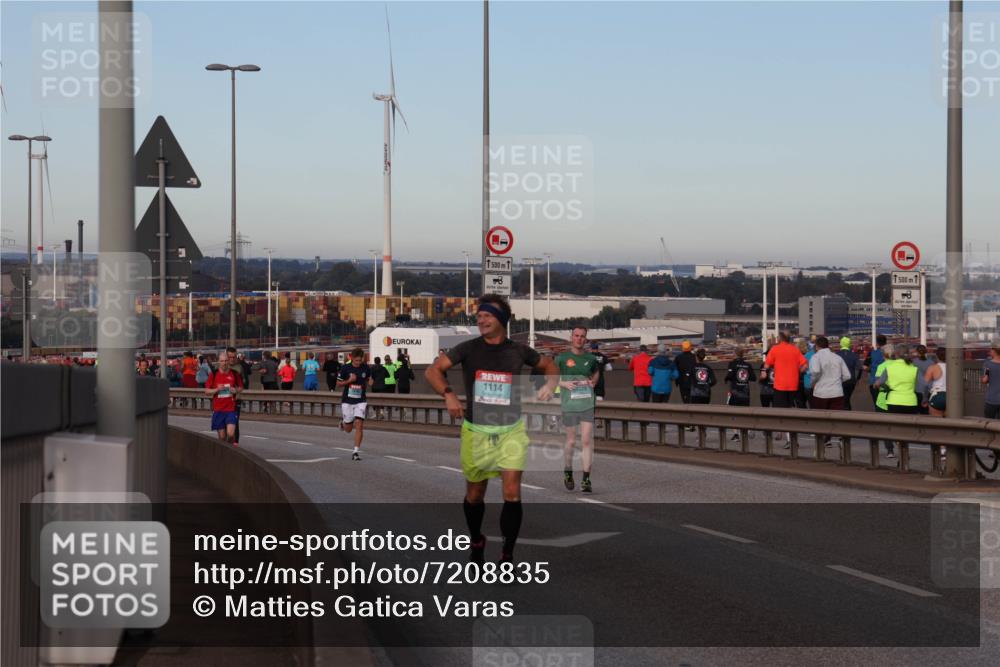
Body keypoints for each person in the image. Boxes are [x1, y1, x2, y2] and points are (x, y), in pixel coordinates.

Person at [424, 294, 557, 565]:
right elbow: (433, 371)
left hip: (511, 430)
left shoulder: (518, 351)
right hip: (476, 430)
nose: (480, 319)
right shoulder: (468, 349)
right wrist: (448, 394)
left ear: (502, 320)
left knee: (512, 492)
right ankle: (477, 540)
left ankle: (507, 556)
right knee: (475, 495)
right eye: (479, 315)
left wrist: (551, 385)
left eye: (487, 315)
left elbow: (549, 366)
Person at [556, 326, 600, 493]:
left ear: (586, 339)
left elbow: (596, 372)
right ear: (571, 337)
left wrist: (594, 382)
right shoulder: (562, 358)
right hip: (569, 404)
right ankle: (568, 470)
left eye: (582, 336)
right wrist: (563, 384)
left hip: (587, 403)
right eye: (576, 336)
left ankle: (586, 479)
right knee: (572, 441)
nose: (579, 339)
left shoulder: (591, 358)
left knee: (587, 440)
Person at [336, 348, 374, 461]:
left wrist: (371, 381)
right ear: (351, 358)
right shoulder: (345, 368)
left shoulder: (366, 368)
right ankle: (343, 424)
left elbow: (369, 379)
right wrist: (349, 381)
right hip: (347, 401)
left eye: (360, 360)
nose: (358, 362)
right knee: (348, 429)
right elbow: (338, 384)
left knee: (359, 424)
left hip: (361, 401)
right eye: (356, 360)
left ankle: (355, 452)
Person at [205, 351, 243, 445]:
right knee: (222, 437)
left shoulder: (234, 374)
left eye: (226, 361)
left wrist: (235, 390)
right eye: (222, 361)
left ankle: (231, 450)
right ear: (219, 362)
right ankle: (225, 451)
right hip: (218, 409)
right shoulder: (213, 374)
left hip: (231, 409)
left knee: (230, 434)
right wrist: (217, 389)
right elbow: (206, 391)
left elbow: (241, 387)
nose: (224, 363)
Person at [764, 331, 808, 409]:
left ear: (780, 338)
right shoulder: (795, 350)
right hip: (793, 385)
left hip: (780, 385)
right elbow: (805, 365)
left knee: (779, 410)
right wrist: (798, 372)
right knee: (791, 409)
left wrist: (764, 371)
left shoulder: (775, 349)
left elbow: (767, 365)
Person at [808, 336, 851, 411]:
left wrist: (812, 383)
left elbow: (815, 371)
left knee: (820, 419)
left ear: (817, 346)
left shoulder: (815, 357)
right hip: (837, 392)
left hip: (821, 393)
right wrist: (837, 381)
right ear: (827, 345)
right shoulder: (838, 357)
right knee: (835, 419)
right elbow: (847, 376)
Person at [835, 337, 861, 410]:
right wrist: (857, 379)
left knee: (843, 399)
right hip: (851, 380)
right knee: (847, 398)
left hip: (839, 380)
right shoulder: (854, 355)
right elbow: (859, 368)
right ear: (849, 344)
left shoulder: (837, 355)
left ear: (841, 344)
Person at [865, 334, 888, 408]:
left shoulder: (872, 353)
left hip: (874, 381)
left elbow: (865, 366)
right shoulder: (889, 353)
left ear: (877, 343)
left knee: (877, 404)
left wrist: (870, 369)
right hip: (887, 382)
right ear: (885, 342)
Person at [912, 345, 935, 415]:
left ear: (917, 352)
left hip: (917, 389)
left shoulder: (914, 363)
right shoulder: (931, 362)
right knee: (926, 412)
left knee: (916, 412)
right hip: (928, 390)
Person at [983, 342, 1000, 420]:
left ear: (994, 351)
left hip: (992, 399)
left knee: (988, 422)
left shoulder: (988, 364)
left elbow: (985, 380)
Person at [797, 338, 813, 409]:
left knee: (800, 403)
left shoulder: (797, 357)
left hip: (799, 382)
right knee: (812, 403)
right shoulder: (810, 355)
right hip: (808, 382)